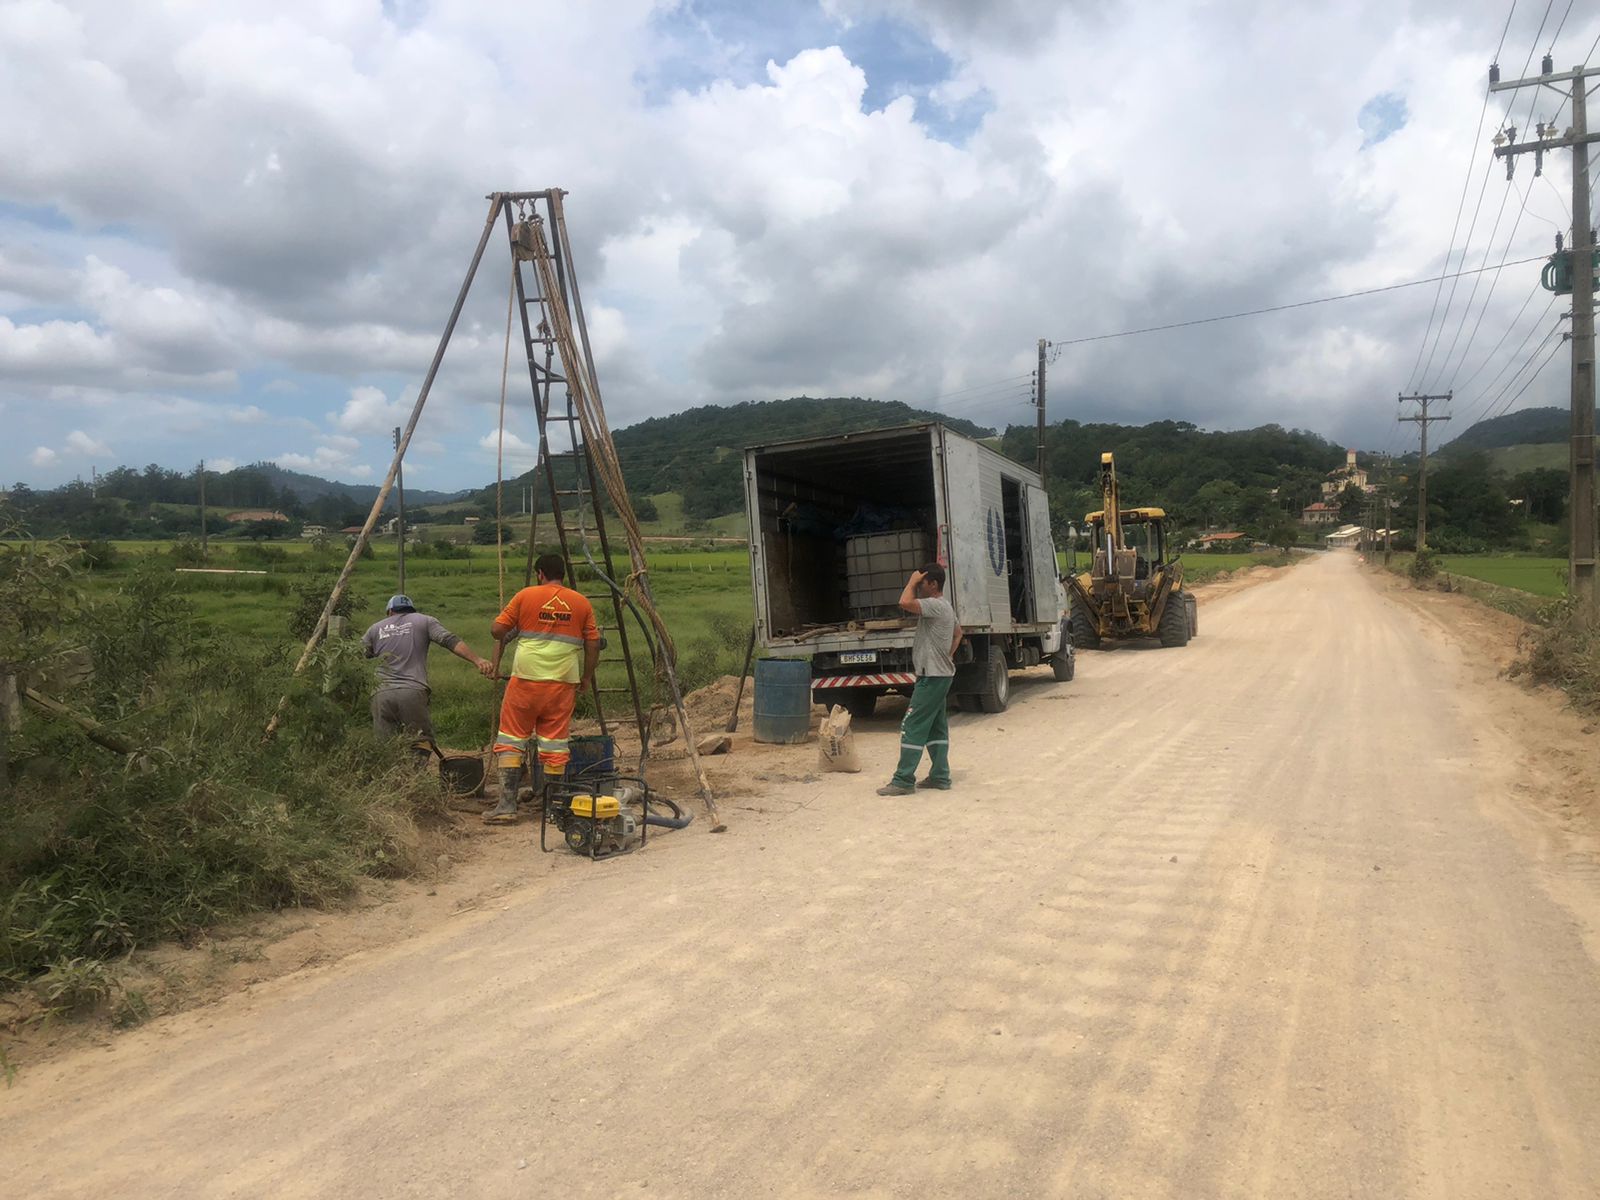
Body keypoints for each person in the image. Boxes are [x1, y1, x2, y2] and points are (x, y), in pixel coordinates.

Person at [484, 553, 601, 825]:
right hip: (562, 683)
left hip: (525, 679)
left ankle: (507, 806)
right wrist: (586, 677)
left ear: (540, 573)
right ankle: (554, 808)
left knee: (512, 739)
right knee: (555, 743)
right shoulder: (581, 602)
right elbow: (593, 644)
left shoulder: (525, 596)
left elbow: (497, 631)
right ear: (563, 574)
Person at [362, 594, 494, 755]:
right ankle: (415, 778)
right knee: (421, 742)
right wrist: (477, 660)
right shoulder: (424, 620)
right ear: (411, 609)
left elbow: (357, 654)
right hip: (412, 691)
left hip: (380, 693)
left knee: (384, 746)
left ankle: (390, 779)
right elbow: (449, 640)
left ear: (390, 611)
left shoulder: (375, 628)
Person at [877, 564, 963, 796]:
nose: (919, 586)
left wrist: (911, 581)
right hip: (939, 674)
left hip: (933, 677)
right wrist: (948, 654)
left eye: (922, 583)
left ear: (932, 584)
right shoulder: (946, 607)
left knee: (912, 725)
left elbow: (904, 602)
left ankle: (903, 780)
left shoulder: (935, 605)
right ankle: (940, 776)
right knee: (936, 728)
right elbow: (959, 633)